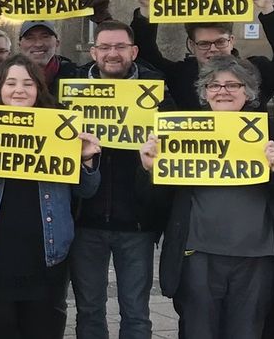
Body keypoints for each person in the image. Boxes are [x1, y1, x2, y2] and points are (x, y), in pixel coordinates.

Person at [139, 55, 274, 339]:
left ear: (248, 93)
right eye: (214, 85)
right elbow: (153, 204)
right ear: (204, 93)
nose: (223, 91)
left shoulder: (272, 131)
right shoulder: (179, 131)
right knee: (198, 331)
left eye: (233, 85)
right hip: (198, 254)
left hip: (257, 256)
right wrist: (150, 171)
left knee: (247, 332)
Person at [0, 54, 103, 339]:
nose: (20, 90)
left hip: (46, 252)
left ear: (39, 89)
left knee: (43, 328)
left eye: (28, 83)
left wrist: (87, 161)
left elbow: (86, 191)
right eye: (11, 83)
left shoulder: (61, 129)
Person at [66, 21, 172, 339]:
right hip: (86, 220)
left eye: (120, 47)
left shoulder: (158, 91)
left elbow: (173, 150)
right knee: (89, 312)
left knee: (137, 314)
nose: (113, 54)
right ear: (94, 51)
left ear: (134, 51)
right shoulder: (71, 89)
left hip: (136, 224)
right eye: (105, 47)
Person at [132, 0, 274, 110]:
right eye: (204, 44)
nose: (213, 49)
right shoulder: (180, 76)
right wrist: (146, 11)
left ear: (231, 40)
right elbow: (146, 55)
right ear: (192, 46)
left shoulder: (255, 72)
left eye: (220, 42)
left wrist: (268, 9)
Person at [0, 0, 112, 98]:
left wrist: (105, 20)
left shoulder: (78, 76)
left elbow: (118, 68)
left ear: (57, 43)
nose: (38, 43)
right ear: (19, 44)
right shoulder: (0, 78)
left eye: (45, 36)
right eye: (30, 38)